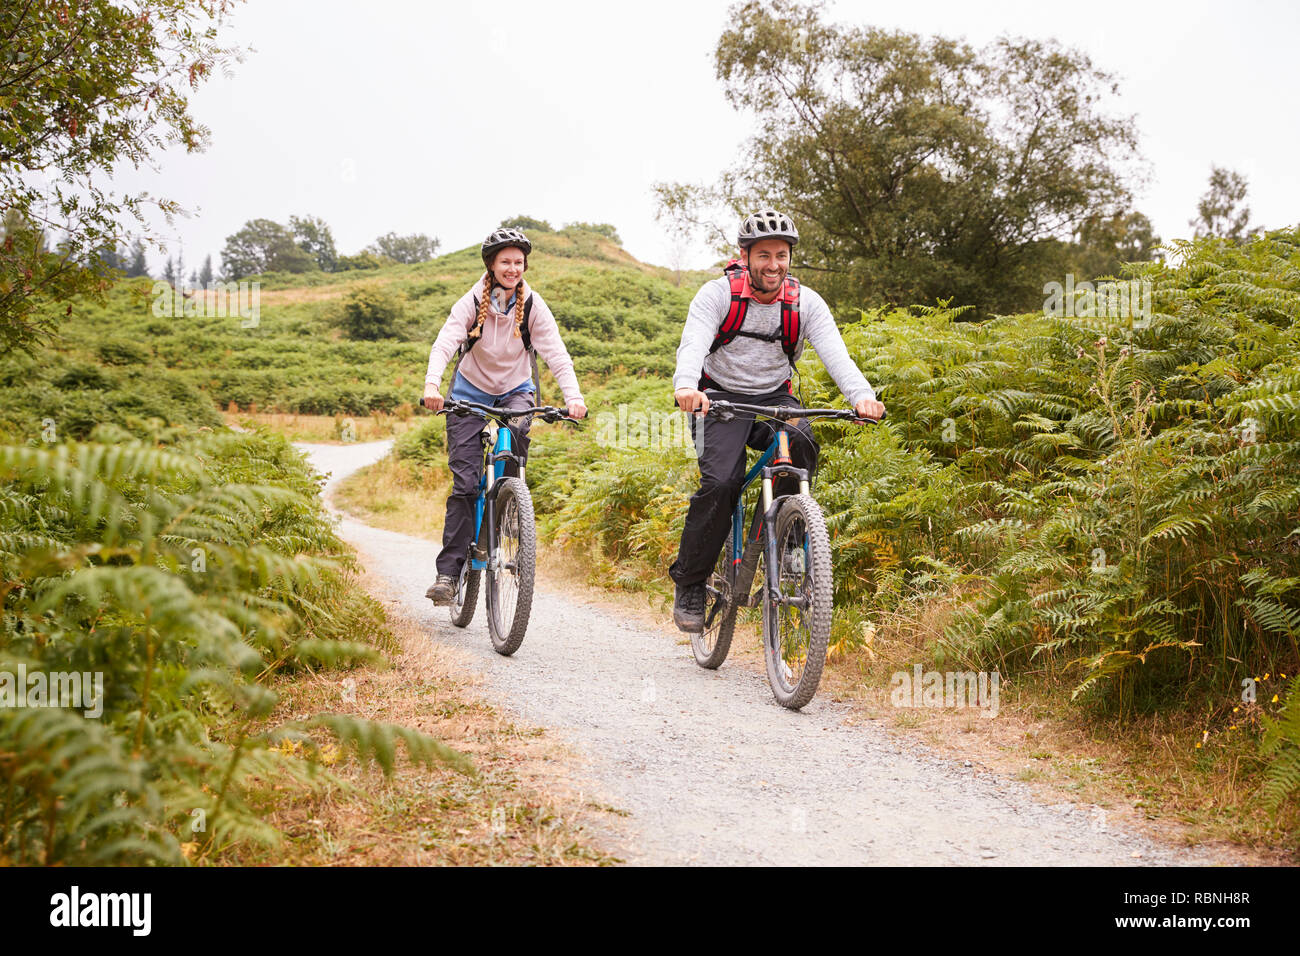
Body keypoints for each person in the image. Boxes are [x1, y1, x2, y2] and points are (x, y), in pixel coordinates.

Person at [668, 209, 886, 631]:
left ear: (790, 257)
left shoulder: (805, 303)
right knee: (721, 483)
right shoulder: (717, 295)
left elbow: (836, 355)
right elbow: (693, 344)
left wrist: (862, 397)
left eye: (781, 255)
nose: (773, 264)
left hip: (775, 397)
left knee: (801, 444)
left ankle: (787, 536)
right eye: (764, 254)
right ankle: (691, 582)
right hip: (717, 399)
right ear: (744, 255)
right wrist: (686, 388)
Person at [422, 227, 587, 604]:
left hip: (515, 390)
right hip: (469, 392)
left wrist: (574, 397)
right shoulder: (470, 301)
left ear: (524, 265)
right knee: (465, 485)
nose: (512, 268)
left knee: (513, 445)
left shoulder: (533, 305)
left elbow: (556, 354)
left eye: (518, 262)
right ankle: (448, 574)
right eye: (505, 262)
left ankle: (510, 503)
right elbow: (445, 342)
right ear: (491, 265)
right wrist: (432, 386)